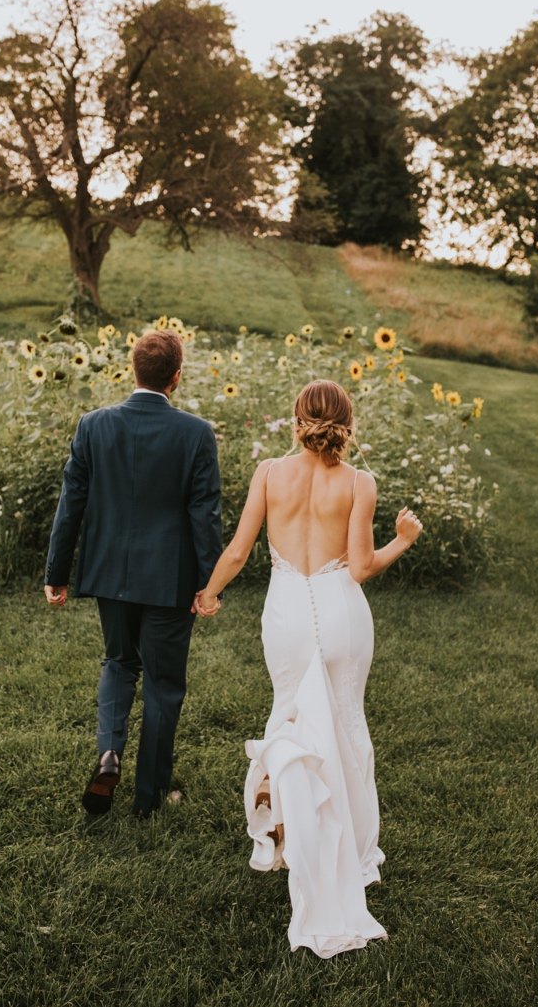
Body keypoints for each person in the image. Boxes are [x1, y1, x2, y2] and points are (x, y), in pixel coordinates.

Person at [194, 379, 423, 957]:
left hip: (288, 614)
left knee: (291, 719)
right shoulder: (358, 482)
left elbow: (240, 550)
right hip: (343, 614)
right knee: (346, 725)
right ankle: (354, 852)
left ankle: (289, 834)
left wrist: (210, 593)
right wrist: (404, 540)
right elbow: (362, 567)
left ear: (297, 420)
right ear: (347, 423)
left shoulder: (270, 473)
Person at [44, 329, 223, 819]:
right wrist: (211, 583)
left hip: (111, 575)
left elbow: (71, 504)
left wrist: (56, 572)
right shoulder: (196, 433)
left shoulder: (93, 425)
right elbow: (204, 514)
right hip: (171, 581)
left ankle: (109, 754)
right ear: (176, 377)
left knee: (119, 662)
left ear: (133, 371)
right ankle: (149, 798)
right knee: (164, 684)